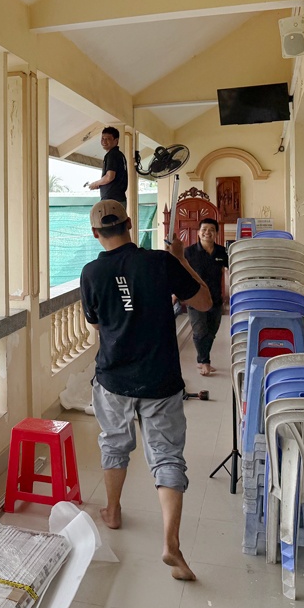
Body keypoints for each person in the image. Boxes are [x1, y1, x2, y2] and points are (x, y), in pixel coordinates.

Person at [79, 200, 212, 581]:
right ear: (130, 223)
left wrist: (123, 305)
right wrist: (180, 258)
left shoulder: (91, 273)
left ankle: (113, 510)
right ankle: (171, 542)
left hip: (114, 379)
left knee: (114, 444)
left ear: (95, 233)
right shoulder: (160, 262)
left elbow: (96, 323)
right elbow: (204, 301)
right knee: (167, 456)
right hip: (160, 380)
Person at [184, 218, 229, 377]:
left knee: (211, 332)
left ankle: (202, 359)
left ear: (216, 233)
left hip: (215, 298)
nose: (207, 232)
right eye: (204, 229)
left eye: (211, 230)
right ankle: (205, 362)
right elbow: (179, 272)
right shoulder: (189, 252)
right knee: (199, 331)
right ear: (199, 232)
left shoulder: (222, 252)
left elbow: (233, 269)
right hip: (194, 298)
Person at [86, 126, 128, 206]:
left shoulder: (112, 155)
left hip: (111, 200)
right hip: (119, 199)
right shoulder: (120, 155)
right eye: (102, 138)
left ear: (116, 141)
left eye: (108, 139)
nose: (104, 141)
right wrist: (100, 184)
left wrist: (96, 183)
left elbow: (109, 177)